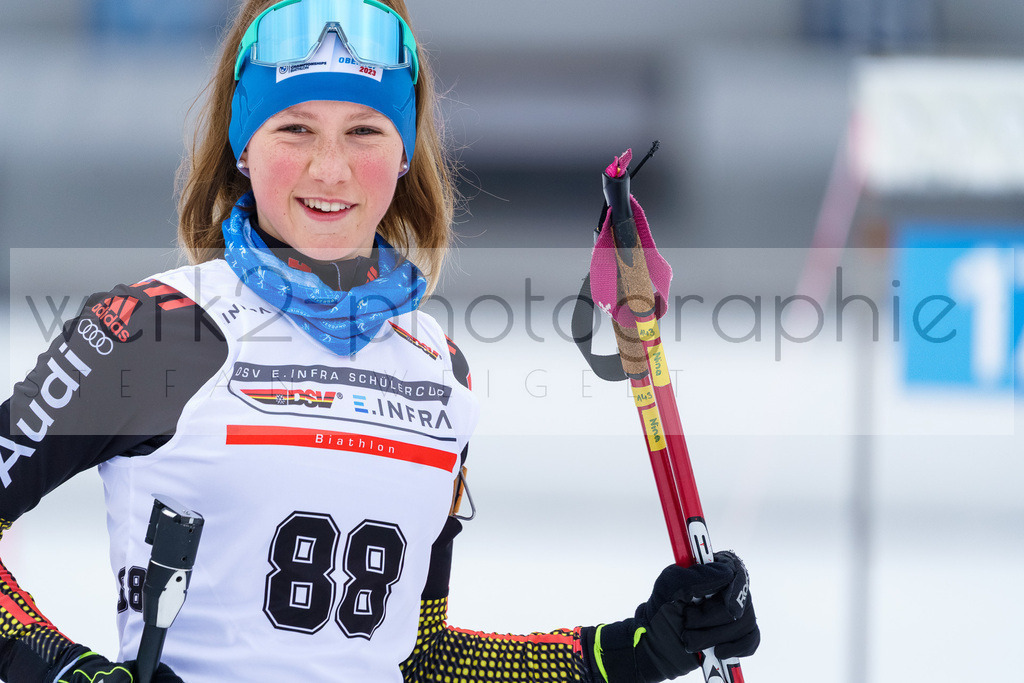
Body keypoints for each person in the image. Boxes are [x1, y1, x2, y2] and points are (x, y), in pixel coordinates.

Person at [0, 1, 759, 681]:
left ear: (403, 156)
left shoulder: (439, 369)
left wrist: (636, 649)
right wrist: (67, 671)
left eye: (364, 131)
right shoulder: (158, 329)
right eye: (293, 128)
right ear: (242, 147)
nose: (329, 169)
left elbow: (423, 659)